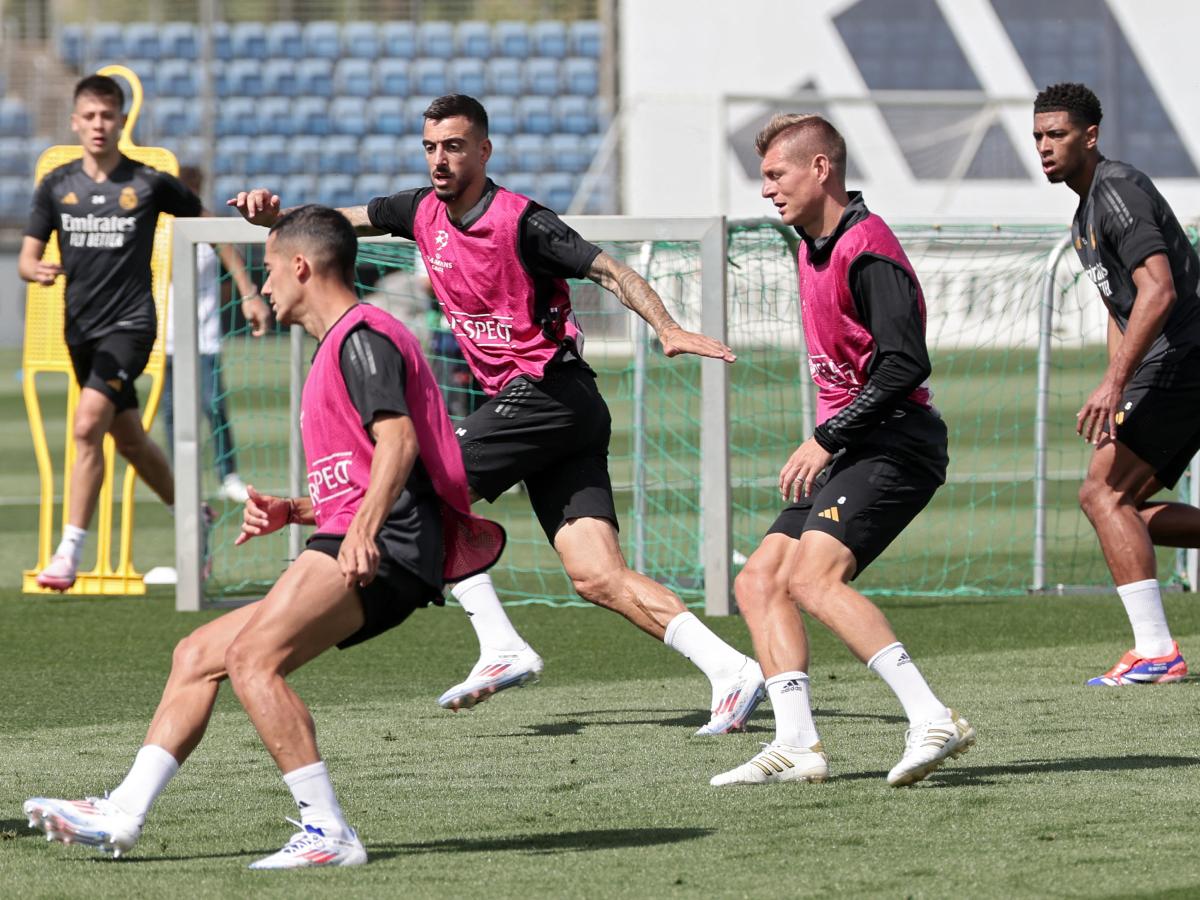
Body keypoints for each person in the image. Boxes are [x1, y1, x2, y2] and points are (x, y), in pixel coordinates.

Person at [231, 93, 765, 733]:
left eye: (454, 147)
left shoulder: (524, 222)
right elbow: (330, 233)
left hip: (548, 393)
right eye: (430, 147)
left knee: (418, 483)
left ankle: (499, 644)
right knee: (597, 576)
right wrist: (276, 215)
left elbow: (611, 270)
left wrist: (668, 327)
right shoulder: (418, 211)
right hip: (556, 413)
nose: (439, 160)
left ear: (483, 151)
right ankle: (731, 669)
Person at [23, 205, 505, 867]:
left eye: (270, 269)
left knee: (253, 661)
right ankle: (123, 812)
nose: (263, 285)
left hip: (384, 546)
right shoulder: (341, 343)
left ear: (301, 266)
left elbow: (399, 442)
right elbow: (368, 471)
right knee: (198, 653)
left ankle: (328, 833)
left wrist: (359, 531)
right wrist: (300, 510)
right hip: (363, 537)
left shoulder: (363, 336)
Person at [709, 114, 974, 788]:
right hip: (855, 447)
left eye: (776, 174)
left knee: (811, 579)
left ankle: (932, 716)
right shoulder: (809, 243)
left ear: (821, 168)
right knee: (759, 580)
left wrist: (825, 437)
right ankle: (797, 744)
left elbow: (905, 365)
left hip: (896, 445)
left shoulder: (869, 247)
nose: (766, 189)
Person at [1034, 82, 1200, 685]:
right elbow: (1120, 306)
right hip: (1172, 363)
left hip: (1183, 358)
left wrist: (1113, 384)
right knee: (1122, 507)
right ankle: (1155, 649)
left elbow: (1159, 290)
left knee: (1101, 494)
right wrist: (1119, 392)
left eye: (1057, 135)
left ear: (1091, 136)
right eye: (1038, 137)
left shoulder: (1117, 190)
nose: (1045, 147)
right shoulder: (1085, 211)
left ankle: (1158, 652)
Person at [19, 75, 211, 590]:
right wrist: (34, 269)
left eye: (108, 116)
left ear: (122, 121)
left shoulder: (147, 182)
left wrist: (249, 288)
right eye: (90, 116)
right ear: (75, 122)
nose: (99, 125)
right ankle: (194, 514)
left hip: (131, 325)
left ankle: (67, 554)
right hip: (79, 330)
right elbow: (27, 256)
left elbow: (205, 221)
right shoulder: (57, 185)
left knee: (86, 427)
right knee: (129, 440)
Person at [162, 165, 271, 505]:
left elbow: (232, 262)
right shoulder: (160, 231)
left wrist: (245, 292)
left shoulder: (207, 228)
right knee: (171, 411)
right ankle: (178, 474)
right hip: (164, 336)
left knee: (213, 405)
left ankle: (228, 475)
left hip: (203, 334)